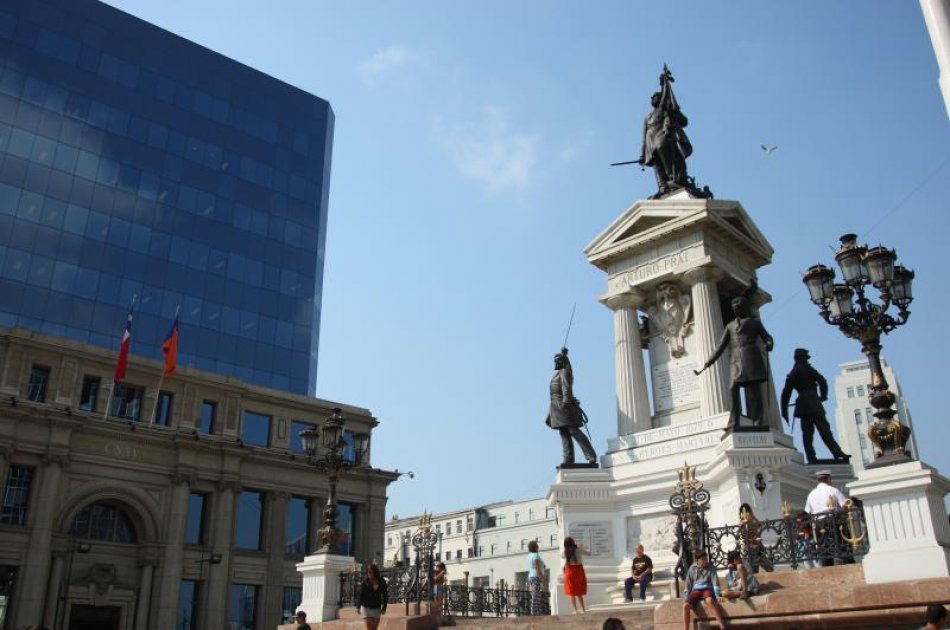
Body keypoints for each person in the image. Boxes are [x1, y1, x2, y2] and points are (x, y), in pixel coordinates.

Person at [695, 292, 773, 431]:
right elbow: (721, 345)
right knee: (733, 388)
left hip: (751, 357)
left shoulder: (754, 322)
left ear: (744, 308)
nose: (736, 310)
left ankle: (758, 422)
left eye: (739, 308)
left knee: (754, 391)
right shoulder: (730, 326)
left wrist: (769, 343)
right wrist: (709, 361)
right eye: (734, 309)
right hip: (736, 360)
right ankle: (734, 422)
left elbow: (767, 336)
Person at [780, 348, 850, 463]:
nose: (807, 360)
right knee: (824, 429)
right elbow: (822, 381)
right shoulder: (808, 369)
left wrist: (784, 412)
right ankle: (837, 453)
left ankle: (811, 457)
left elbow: (785, 393)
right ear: (803, 358)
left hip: (803, 405)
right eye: (806, 358)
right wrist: (823, 396)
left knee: (807, 433)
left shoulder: (793, 373)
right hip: (813, 402)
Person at [639, 66, 692, 197]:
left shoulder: (663, 109)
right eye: (651, 98)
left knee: (661, 147)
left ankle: (672, 178)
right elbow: (643, 136)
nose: (652, 99)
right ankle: (662, 186)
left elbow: (665, 96)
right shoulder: (647, 117)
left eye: (655, 97)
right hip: (650, 142)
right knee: (657, 164)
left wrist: (664, 83)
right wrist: (642, 154)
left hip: (661, 136)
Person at [545, 348, 597, 466]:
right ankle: (568, 459)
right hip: (555, 407)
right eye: (555, 360)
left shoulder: (564, 372)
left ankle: (591, 455)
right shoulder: (557, 373)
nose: (556, 362)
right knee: (564, 433)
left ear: (563, 361)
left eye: (558, 360)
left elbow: (566, 388)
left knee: (573, 431)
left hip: (562, 405)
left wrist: (566, 402)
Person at [805, 470, 847, 567]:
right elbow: (845, 505)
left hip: (818, 525)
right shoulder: (833, 490)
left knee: (824, 551)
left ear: (818, 480)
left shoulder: (811, 494)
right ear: (828, 479)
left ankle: (827, 568)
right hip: (833, 521)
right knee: (841, 547)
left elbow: (808, 511)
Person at [682, 550, 729, 630]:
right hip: (696, 590)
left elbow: (715, 582)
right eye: (703, 559)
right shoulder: (692, 568)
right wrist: (686, 596)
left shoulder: (711, 567)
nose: (705, 561)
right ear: (697, 561)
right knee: (685, 605)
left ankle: (722, 626)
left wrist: (717, 595)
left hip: (707, 588)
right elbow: (688, 584)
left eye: (706, 558)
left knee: (710, 601)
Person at [738, 503, 773, 573]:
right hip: (750, 547)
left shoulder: (752, 519)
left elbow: (758, 524)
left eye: (747, 511)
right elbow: (740, 531)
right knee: (754, 568)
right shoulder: (742, 522)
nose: (745, 513)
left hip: (756, 545)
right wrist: (745, 522)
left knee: (767, 567)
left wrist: (752, 517)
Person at [355, 563, 388, 630]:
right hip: (366, 607)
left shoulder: (382, 582)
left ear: (375, 572)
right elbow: (361, 595)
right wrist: (358, 607)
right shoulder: (365, 582)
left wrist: (384, 608)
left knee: (374, 629)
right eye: (367, 572)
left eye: (370, 572)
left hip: (376, 608)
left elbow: (385, 595)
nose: (368, 574)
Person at [562, 536, 588, 615]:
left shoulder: (566, 552)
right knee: (579, 593)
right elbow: (589, 553)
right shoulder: (578, 550)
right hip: (579, 571)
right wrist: (581, 547)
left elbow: (562, 556)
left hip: (569, 572)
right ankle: (583, 609)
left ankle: (575, 610)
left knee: (572, 593)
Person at [526, 540, 548, 615]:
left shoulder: (529, 555)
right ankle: (534, 611)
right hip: (536, 576)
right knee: (536, 594)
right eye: (537, 545)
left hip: (531, 576)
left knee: (536, 594)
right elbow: (536, 566)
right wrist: (542, 576)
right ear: (535, 547)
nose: (538, 547)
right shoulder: (535, 555)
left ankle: (537, 611)